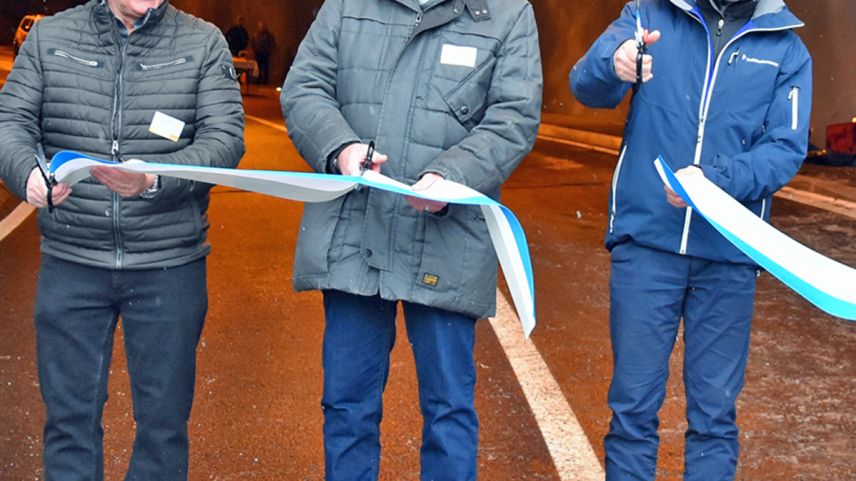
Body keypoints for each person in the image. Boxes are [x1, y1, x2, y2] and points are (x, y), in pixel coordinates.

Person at [281, 0, 542, 479]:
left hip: (447, 240)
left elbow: (514, 118)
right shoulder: (346, 5)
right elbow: (305, 87)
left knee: (448, 409)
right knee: (346, 404)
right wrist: (340, 148)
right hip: (354, 233)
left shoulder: (506, 13)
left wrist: (454, 175)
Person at [0, 0, 245, 479]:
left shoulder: (203, 42)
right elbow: (11, 123)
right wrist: (25, 172)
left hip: (169, 264)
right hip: (72, 258)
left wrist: (155, 178)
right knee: (69, 422)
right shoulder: (51, 38)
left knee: (163, 425)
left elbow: (225, 138)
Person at [569, 0, 811, 479]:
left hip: (728, 254)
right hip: (647, 244)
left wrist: (712, 182)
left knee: (714, 417)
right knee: (633, 410)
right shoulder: (647, 14)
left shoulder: (787, 48)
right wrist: (613, 65)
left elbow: (785, 148)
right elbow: (585, 85)